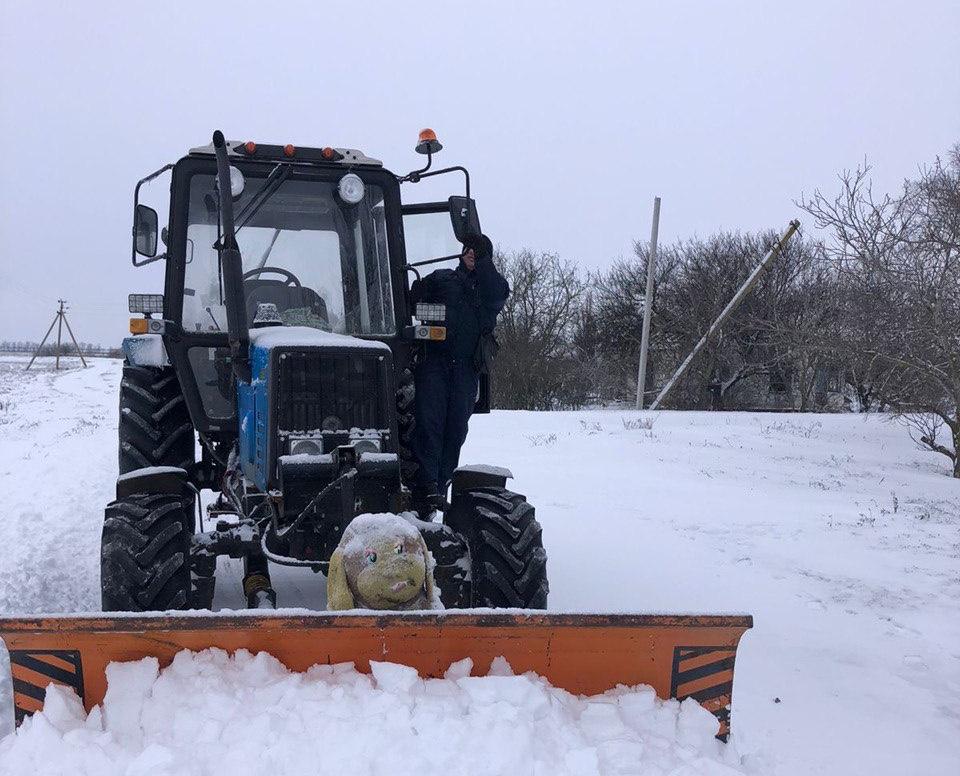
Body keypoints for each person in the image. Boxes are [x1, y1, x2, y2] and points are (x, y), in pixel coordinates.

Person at [409, 233, 509, 515]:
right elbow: (411, 296)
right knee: (429, 423)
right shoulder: (442, 279)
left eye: (478, 252)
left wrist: (483, 261)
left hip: (467, 368)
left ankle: (440, 486)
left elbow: (495, 293)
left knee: (455, 429)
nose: (471, 255)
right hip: (434, 363)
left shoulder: (493, 288)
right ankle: (427, 485)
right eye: (468, 250)